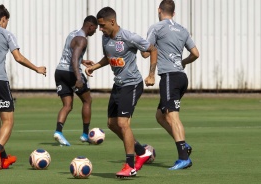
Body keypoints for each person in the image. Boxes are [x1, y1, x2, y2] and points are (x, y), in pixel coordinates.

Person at [85, 7, 157, 178]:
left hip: (132, 84)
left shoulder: (128, 37)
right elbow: (109, 57)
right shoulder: (105, 38)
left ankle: (130, 166)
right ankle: (142, 151)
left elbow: (152, 50)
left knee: (123, 123)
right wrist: (94, 66)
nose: (100, 29)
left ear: (112, 21)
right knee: (112, 124)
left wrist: (151, 75)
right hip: (118, 85)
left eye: (102, 25)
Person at [0, 5, 46, 172]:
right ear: (3, 19)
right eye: (6, 21)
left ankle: (2, 158)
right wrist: (37, 68)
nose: (7, 24)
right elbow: (18, 57)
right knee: (8, 120)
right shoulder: (6, 33)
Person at [142, 0, 200, 170]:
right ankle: (183, 144)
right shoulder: (182, 29)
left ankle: (183, 158)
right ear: (174, 13)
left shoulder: (156, 27)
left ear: (159, 10)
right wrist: (183, 62)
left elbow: (146, 53)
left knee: (172, 116)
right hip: (181, 77)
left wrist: (151, 74)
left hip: (169, 77)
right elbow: (195, 53)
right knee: (160, 116)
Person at [53, 15, 98, 146]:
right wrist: (78, 78)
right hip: (71, 73)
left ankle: (58, 132)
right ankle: (85, 134)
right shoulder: (82, 39)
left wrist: (82, 61)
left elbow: (70, 53)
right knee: (87, 100)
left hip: (59, 72)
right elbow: (73, 59)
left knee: (67, 105)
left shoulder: (72, 34)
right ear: (90, 26)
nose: (95, 31)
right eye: (94, 28)